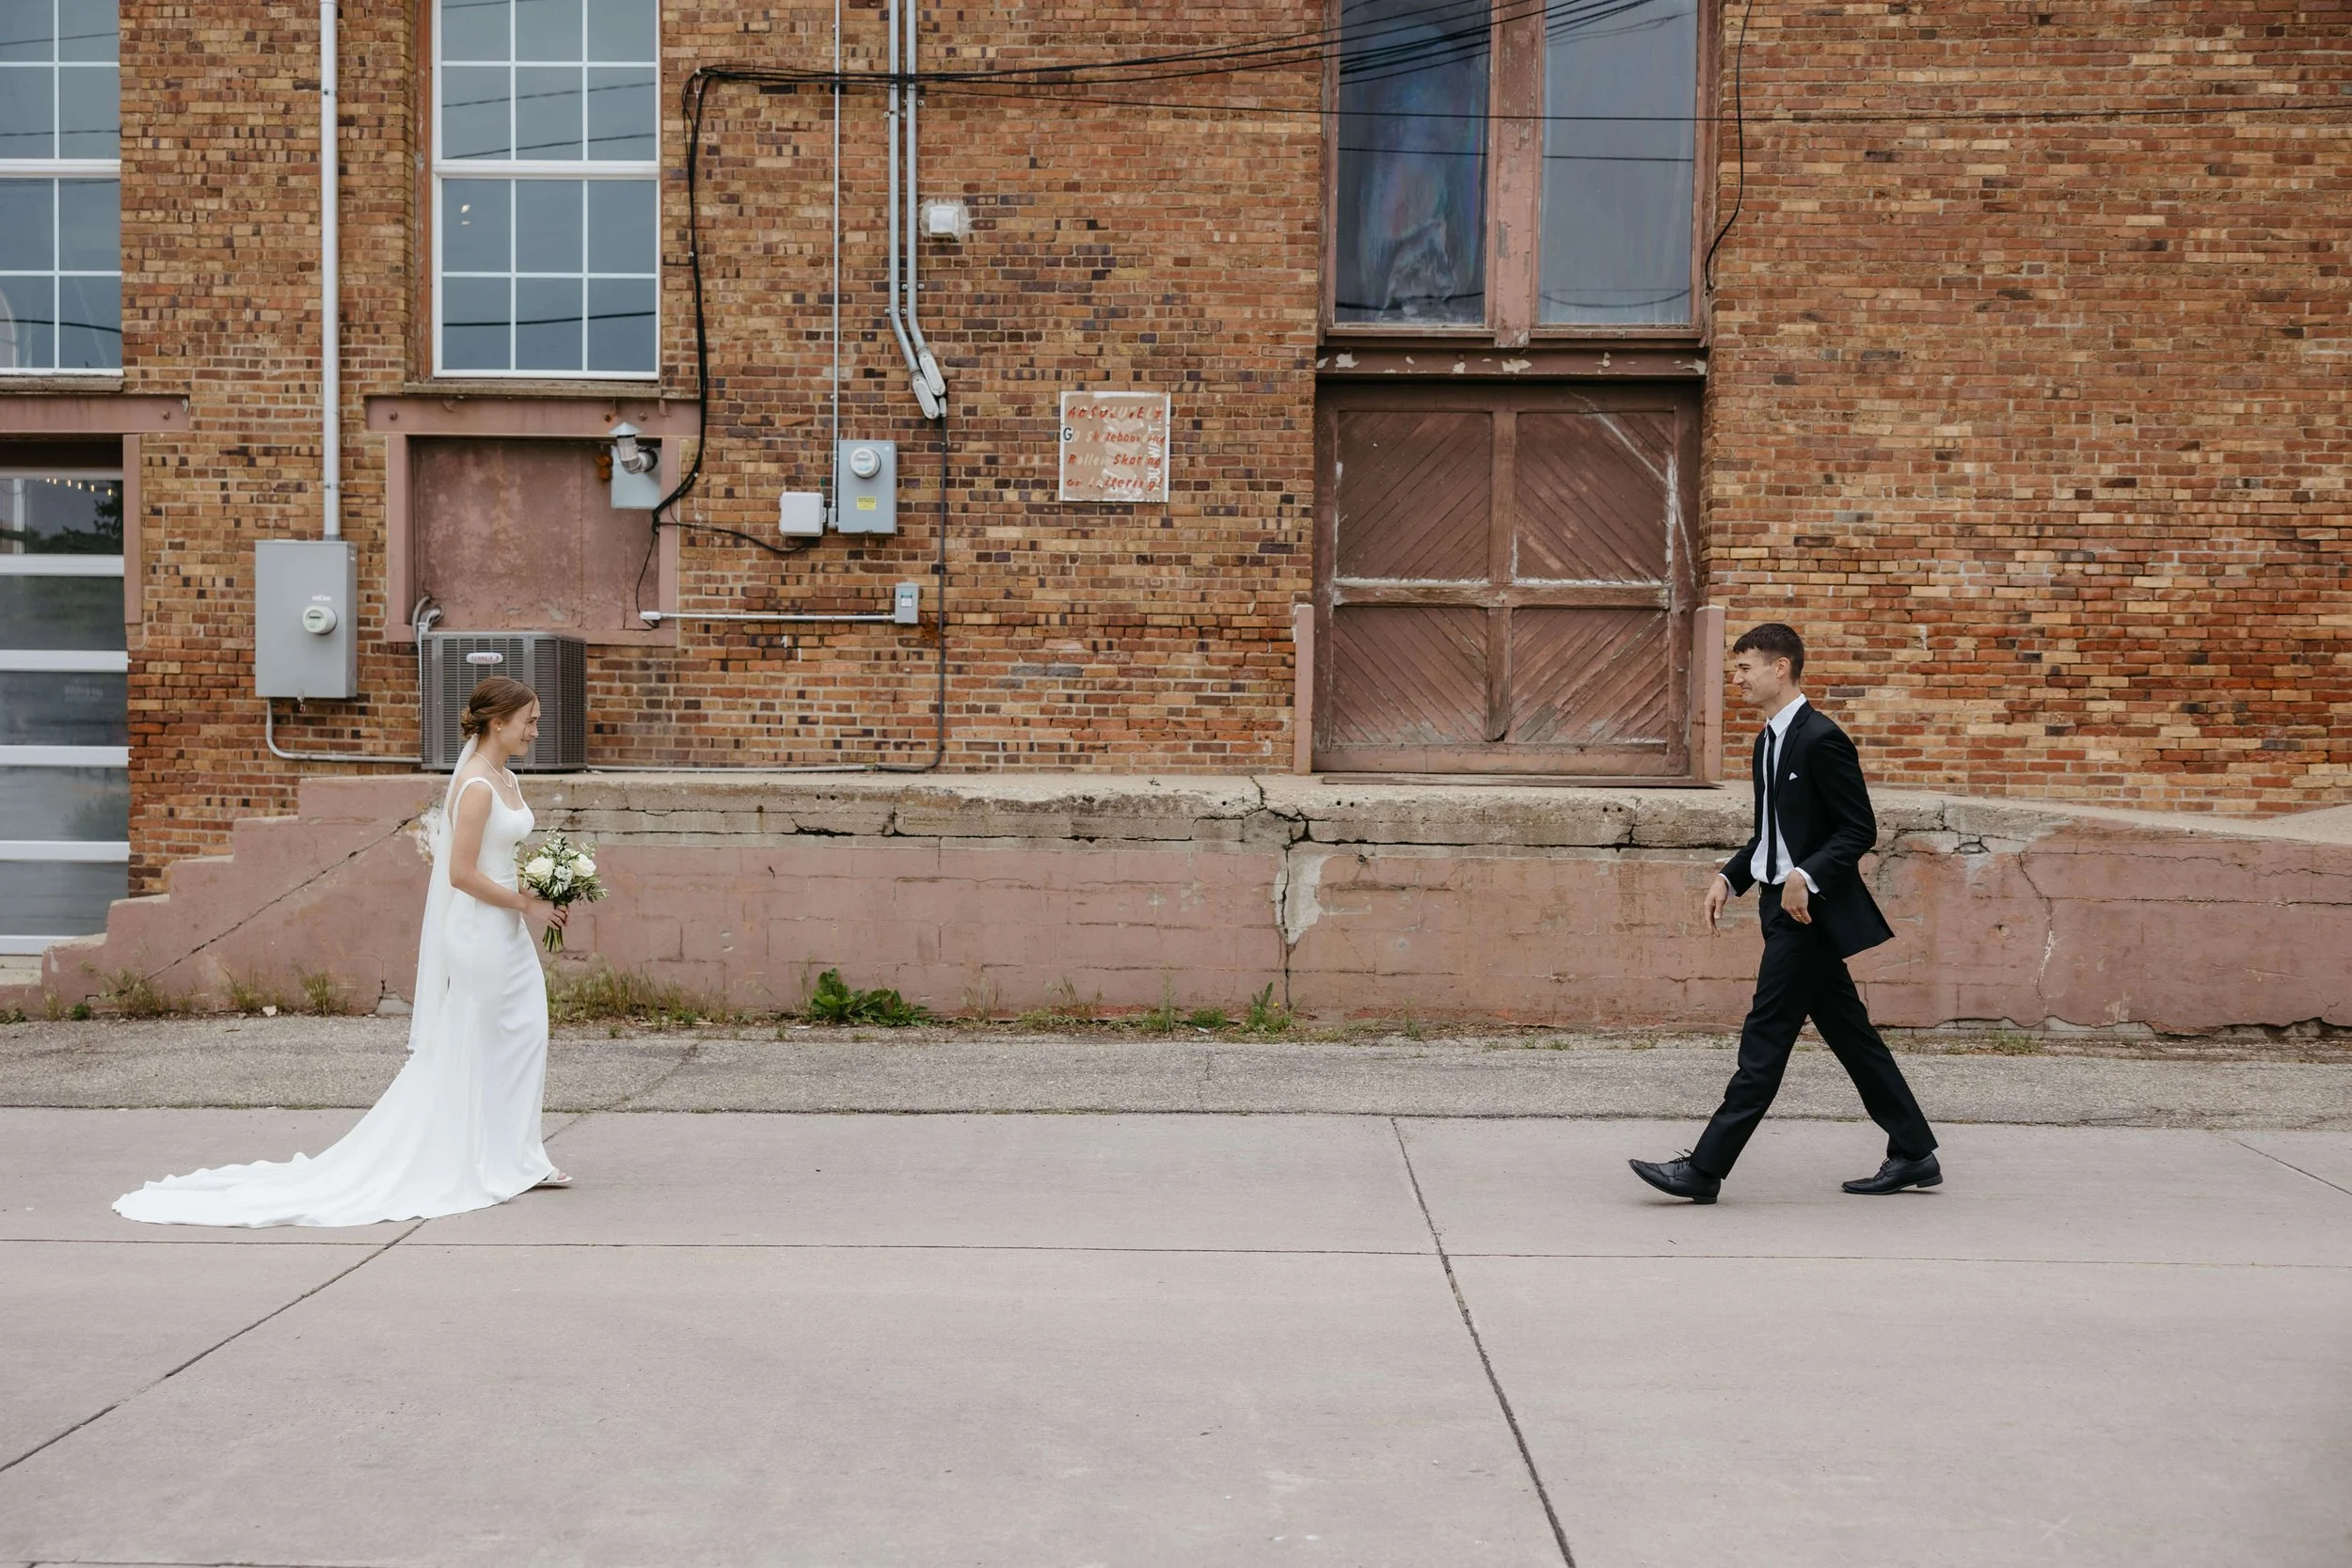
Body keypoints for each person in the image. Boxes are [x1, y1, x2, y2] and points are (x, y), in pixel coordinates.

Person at [116, 677, 572, 1227]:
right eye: (530, 720)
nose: (535, 729)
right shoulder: (475, 785)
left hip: (504, 928)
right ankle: (495, 1158)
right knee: (482, 1042)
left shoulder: (505, 777)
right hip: (480, 931)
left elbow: (499, 854)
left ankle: (516, 1154)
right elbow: (461, 874)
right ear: (498, 723)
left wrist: (547, 887)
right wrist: (527, 902)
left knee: (521, 1034)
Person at [1630, 623, 1941, 1204]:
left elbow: (1858, 829)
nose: (1738, 678)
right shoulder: (1768, 740)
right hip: (1780, 905)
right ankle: (1914, 1151)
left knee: (1765, 1037)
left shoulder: (1821, 738)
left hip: (1808, 917)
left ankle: (1704, 1168)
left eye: (1745, 667)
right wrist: (1732, 874)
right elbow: (1772, 834)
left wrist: (1806, 874)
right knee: (1852, 1038)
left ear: (1781, 668)